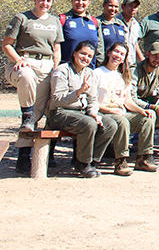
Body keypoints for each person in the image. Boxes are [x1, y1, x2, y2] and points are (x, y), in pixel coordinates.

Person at [2, 0, 64, 173]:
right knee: (29, 110)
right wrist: (18, 60)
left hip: (46, 66)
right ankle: (25, 118)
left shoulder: (54, 21)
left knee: (39, 111)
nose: (44, 3)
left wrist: (55, 69)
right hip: (24, 61)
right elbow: (6, 45)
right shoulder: (22, 18)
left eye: (48, 0)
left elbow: (56, 50)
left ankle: (25, 156)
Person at [46, 41, 116, 178]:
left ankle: (93, 161)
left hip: (81, 113)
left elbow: (93, 99)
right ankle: (83, 163)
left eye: (89, 56)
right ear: (74, 53)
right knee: (88, 124)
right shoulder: (62, 70)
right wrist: (78, 92)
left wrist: (94, 113)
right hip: (59, 113)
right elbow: (57, 100)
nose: (85, 58)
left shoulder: (89, 73)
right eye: (83, 53)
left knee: (110, 124)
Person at [95, 42, 157, 174]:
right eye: (116, 52)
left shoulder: (121, 76)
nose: (118, 56)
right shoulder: (97, 73)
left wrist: (142, 111)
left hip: (120, 112)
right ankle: (121, 161)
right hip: (103, 113)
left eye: (122, 54)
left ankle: (143, 158)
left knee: (148, 118)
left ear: (124, 59)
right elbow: (92, 101)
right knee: (122, 121)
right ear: (109, 53)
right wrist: (110, 110)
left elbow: (127, 101)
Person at [59, 0, 104, 68]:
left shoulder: (95, 22)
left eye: (84, 0)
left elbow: (99, 50)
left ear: (89, 2)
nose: (80, 3)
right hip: (67, 70)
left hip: (89, 71)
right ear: (72, 0)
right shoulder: (63, 19)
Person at [118, 0, 144, 73]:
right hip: (118, 64)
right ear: (123, 6)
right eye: (129, 6)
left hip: (131, 65)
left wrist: (142, 59)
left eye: (135, 7)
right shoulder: (116, 22)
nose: (133, 9)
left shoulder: (136, 24)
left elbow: (134, 43)